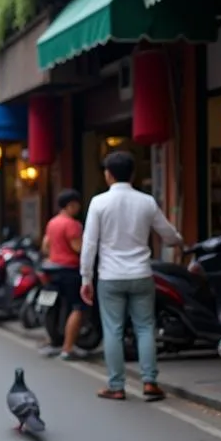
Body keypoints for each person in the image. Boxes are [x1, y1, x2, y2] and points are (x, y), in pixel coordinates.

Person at [80, 150, 183, 402]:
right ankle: (149, 383)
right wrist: (179, 241)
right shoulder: (146, 201)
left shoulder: (98, 203)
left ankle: (116, 386)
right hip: (141, 273)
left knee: (113, 330)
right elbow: (168, 235)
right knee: (145, 327)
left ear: (108, 174)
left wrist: (86, 278)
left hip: (110, 276)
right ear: (133, 174)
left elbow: (89, 243)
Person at [40, 189, 84, 360]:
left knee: (54, 306)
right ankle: (68, 348)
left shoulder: (52, 223)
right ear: (71, 205)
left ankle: (53, 340)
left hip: (52, 269)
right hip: (69, 270)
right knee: (78, 307)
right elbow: (78, 248)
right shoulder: (71, 224)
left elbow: (45, 246)